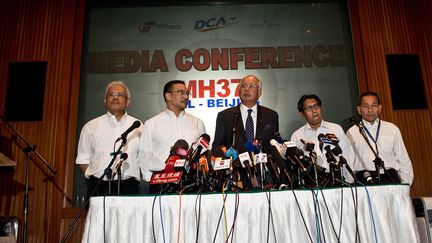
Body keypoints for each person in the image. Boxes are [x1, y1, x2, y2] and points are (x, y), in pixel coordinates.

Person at [76, 80, 142, 198]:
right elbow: (82, 159)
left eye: (120, 95)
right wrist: (93, 175)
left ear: (128, 102)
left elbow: (143, 157)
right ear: (105, 100)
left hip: (128, 186)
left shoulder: (138, 126)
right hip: (98, 186)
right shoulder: (91, 126)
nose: (115, 98)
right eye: (111, 95)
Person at [139, 80, 206, 183]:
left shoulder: (197, 122)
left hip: (190, 179)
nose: (186, 97)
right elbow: (144, 154)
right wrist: (150, 179)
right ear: (168, 96)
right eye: (181, 92)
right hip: (160, 179)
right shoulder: (151, 123)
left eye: (187, 93)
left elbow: (203, 153)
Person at [346, 91, 413, 185]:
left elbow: (403, 159)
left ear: (380, 108)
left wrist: (406, 185)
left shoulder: (392, 129)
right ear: (359, 109)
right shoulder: (351, 132)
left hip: (390, 178)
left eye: (374, 105)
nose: (370, 110)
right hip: (364, 179)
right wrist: (350, 184)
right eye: (365, 106)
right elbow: (349, 161)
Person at [290, 94, 354, 183]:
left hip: (336, 179)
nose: (314, 110)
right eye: (309, 108)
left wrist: (349, 180)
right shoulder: (297, 135)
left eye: (316, 106)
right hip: (311, 181)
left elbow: (347, 155)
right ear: (302, 114)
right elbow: (295, 164)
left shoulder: (336, 129)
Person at [212, 74, 279, 151]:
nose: (246, 89)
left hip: (263, 162)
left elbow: (275, 146)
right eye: (243, 86)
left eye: (251, 86)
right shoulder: (225, 116)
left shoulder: (271, 116)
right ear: (239, 91)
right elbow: (217, 148)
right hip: (235, 162)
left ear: (259, 92)